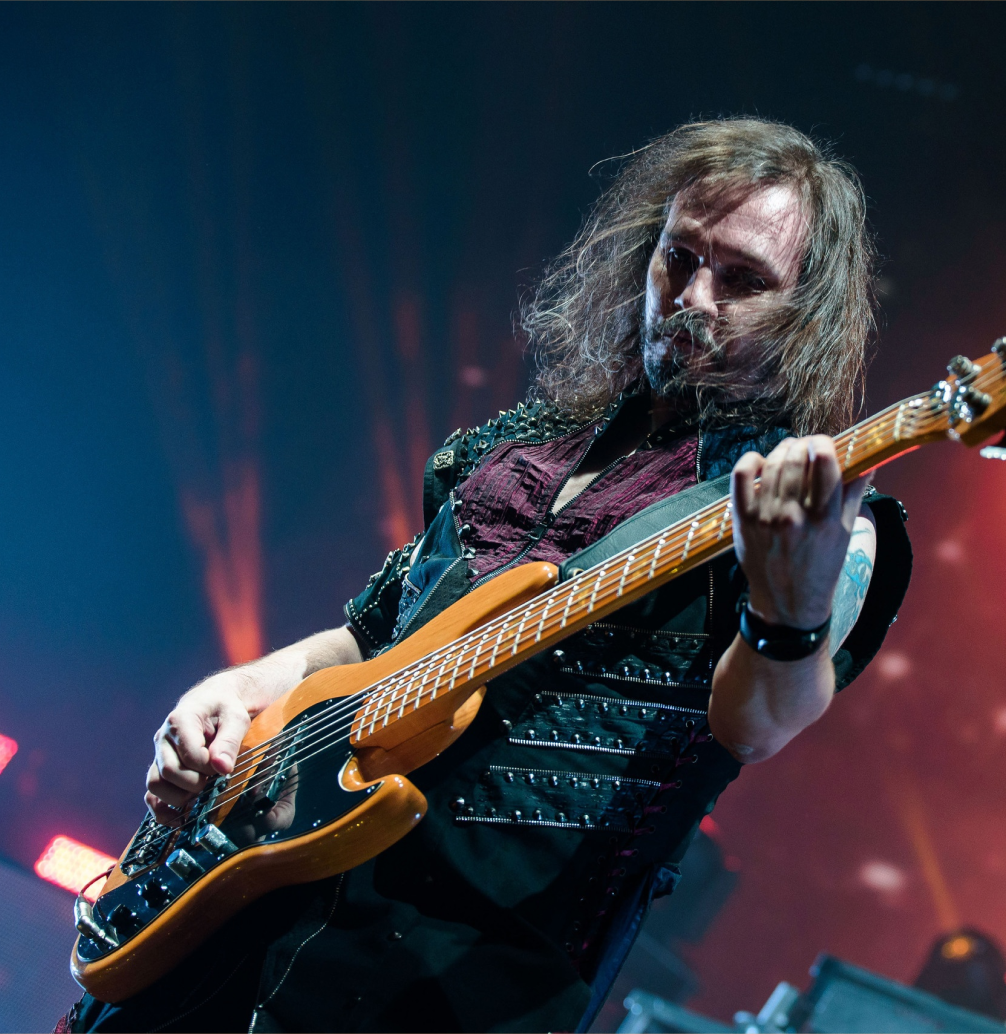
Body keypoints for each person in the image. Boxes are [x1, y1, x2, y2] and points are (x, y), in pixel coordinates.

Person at [64, 118, 913, 1034]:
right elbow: (370, 636)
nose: (692, 298)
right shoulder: (521, 447)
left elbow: (758, 725)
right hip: (241, 912)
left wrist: (788, 605)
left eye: (744, 280)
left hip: (447, 987)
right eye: (679, 258)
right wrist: (235, 690)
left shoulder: (819, 520)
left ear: (807, 313)